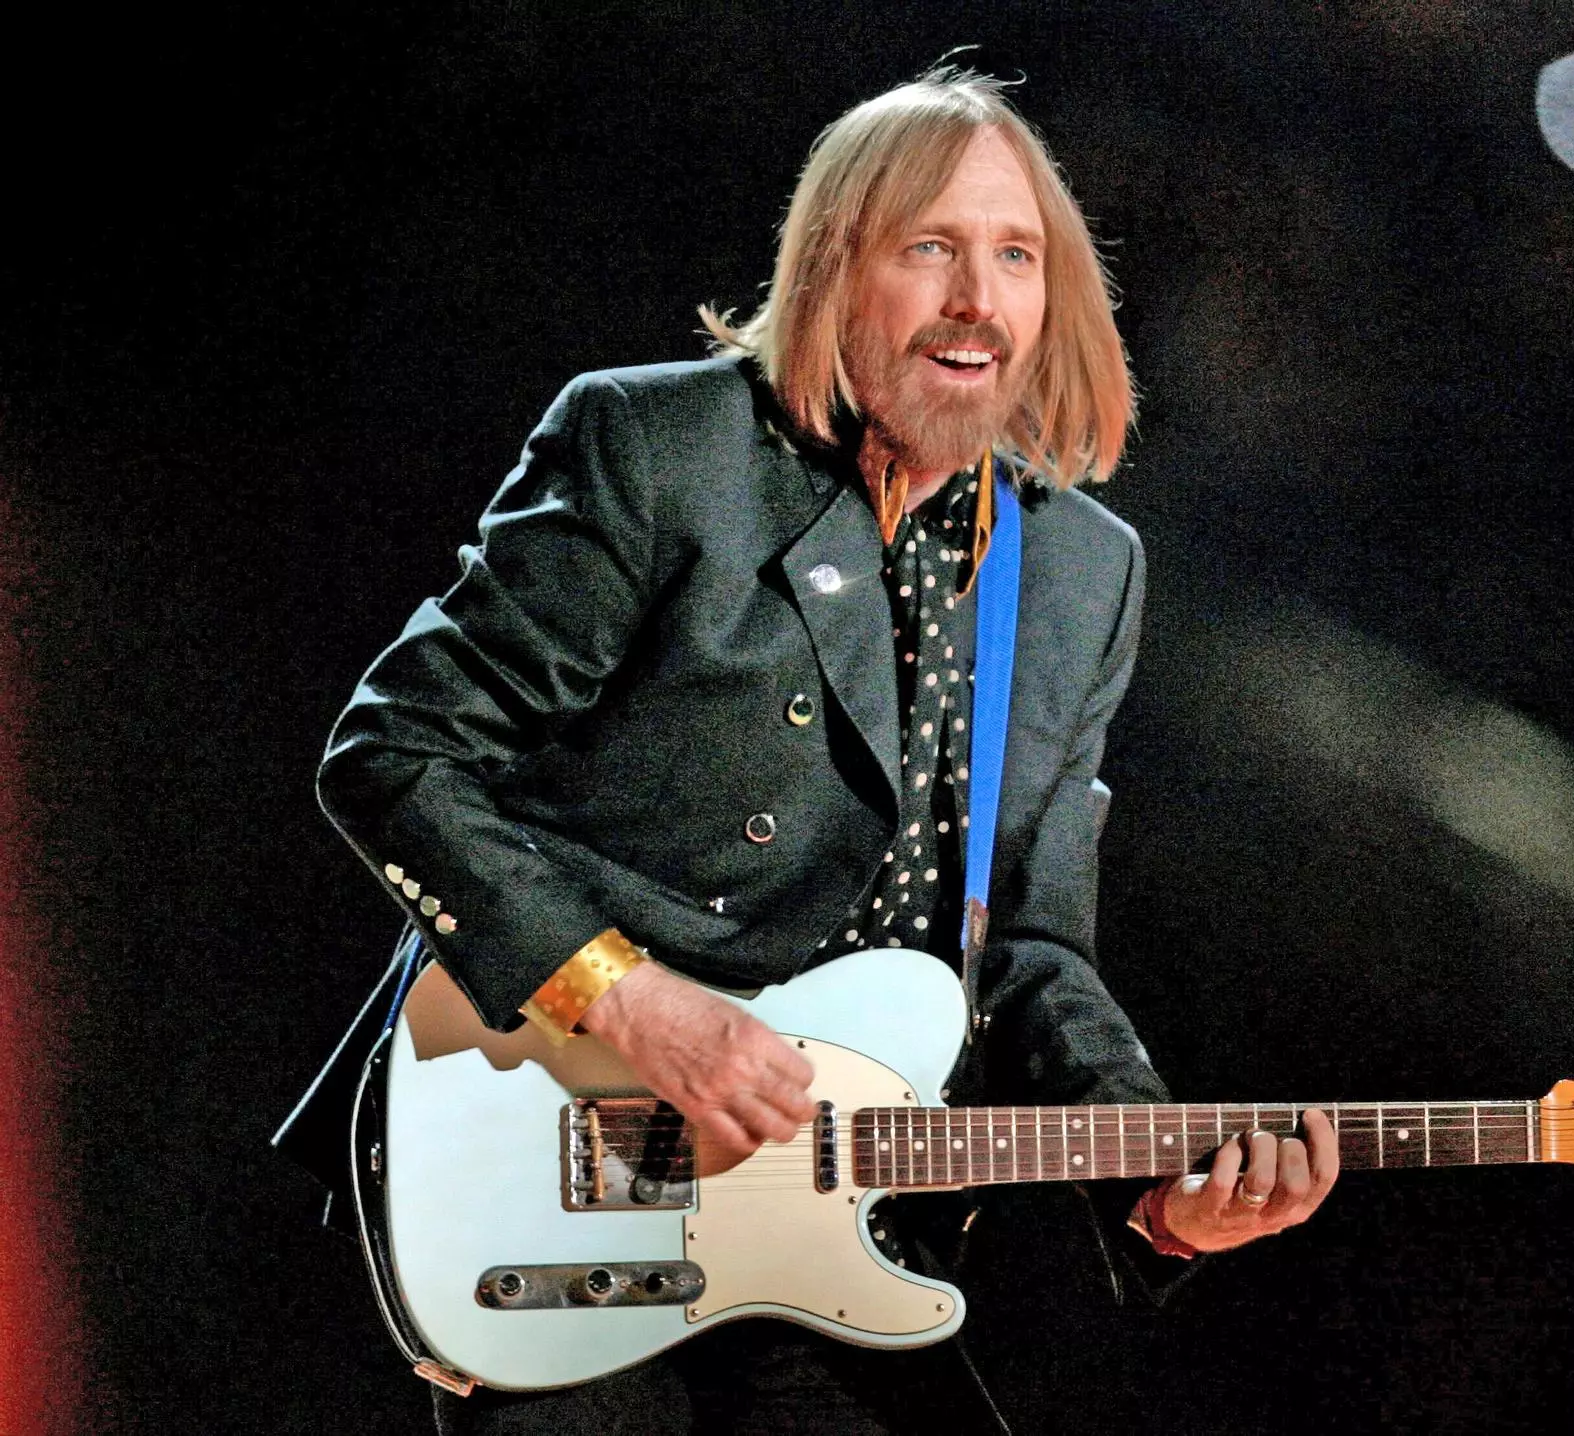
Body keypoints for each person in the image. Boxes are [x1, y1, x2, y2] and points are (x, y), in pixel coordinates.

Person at [283, 68, 1337, 1433]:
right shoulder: (662, 450)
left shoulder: (1082, 570)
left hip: (842, 1231)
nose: (979, 298)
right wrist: (629, 1001)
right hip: (571, 1158)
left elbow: (1031, 948)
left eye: (1017, 256)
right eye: (932, 247)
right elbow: (393, 754)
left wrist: (1156, 1186)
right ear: (837, 268)